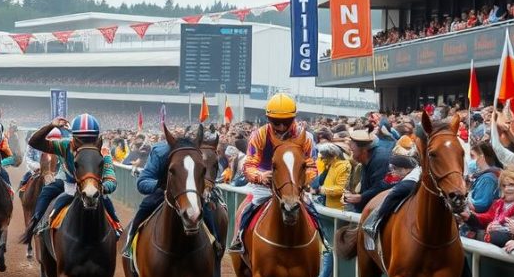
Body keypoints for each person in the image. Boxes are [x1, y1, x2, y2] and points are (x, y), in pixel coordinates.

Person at [230, 94, 317, 251]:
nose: (282, 127)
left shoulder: (306, 138)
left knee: (313, 210)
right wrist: (260, 176)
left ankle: (324, 242)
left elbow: (312, 167)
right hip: (264, 185)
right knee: (246, 209)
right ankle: (239, 239)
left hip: (294, 188)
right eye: (276, 122)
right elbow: (249, 164)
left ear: (294, 118)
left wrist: (300, 181)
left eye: (286, 122)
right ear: (268, 118)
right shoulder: (259, 135)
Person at [121, 127, 221, 258]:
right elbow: (142, 182)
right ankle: (130, 242)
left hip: (192, 193)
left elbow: (207, 176)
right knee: (146, 206)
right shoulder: (160, 153)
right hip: (165, 192)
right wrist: (159, 185)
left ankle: (216, 244)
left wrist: (208, 187)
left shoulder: (198, 155)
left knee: (207, 208)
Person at [25, 114, 117, 233]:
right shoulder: (65, 145)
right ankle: (37, 222)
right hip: (67, 184)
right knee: (46, 192)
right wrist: (51, 126)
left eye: (89, 139)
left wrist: (103, 187)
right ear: (73, 136)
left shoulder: (103, 151)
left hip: (95, 188)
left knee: (110, 210)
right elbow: (35, 142)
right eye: (81, 139)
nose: (85, 143)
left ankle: (117, 228)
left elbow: (111, 178)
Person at [461, 165, 514, 246]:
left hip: (511, 253)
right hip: (490, 248)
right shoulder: (498, 203)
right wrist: (470, 217)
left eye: (512, 185)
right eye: (504, 185)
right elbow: (488, 217)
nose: (507, 189)